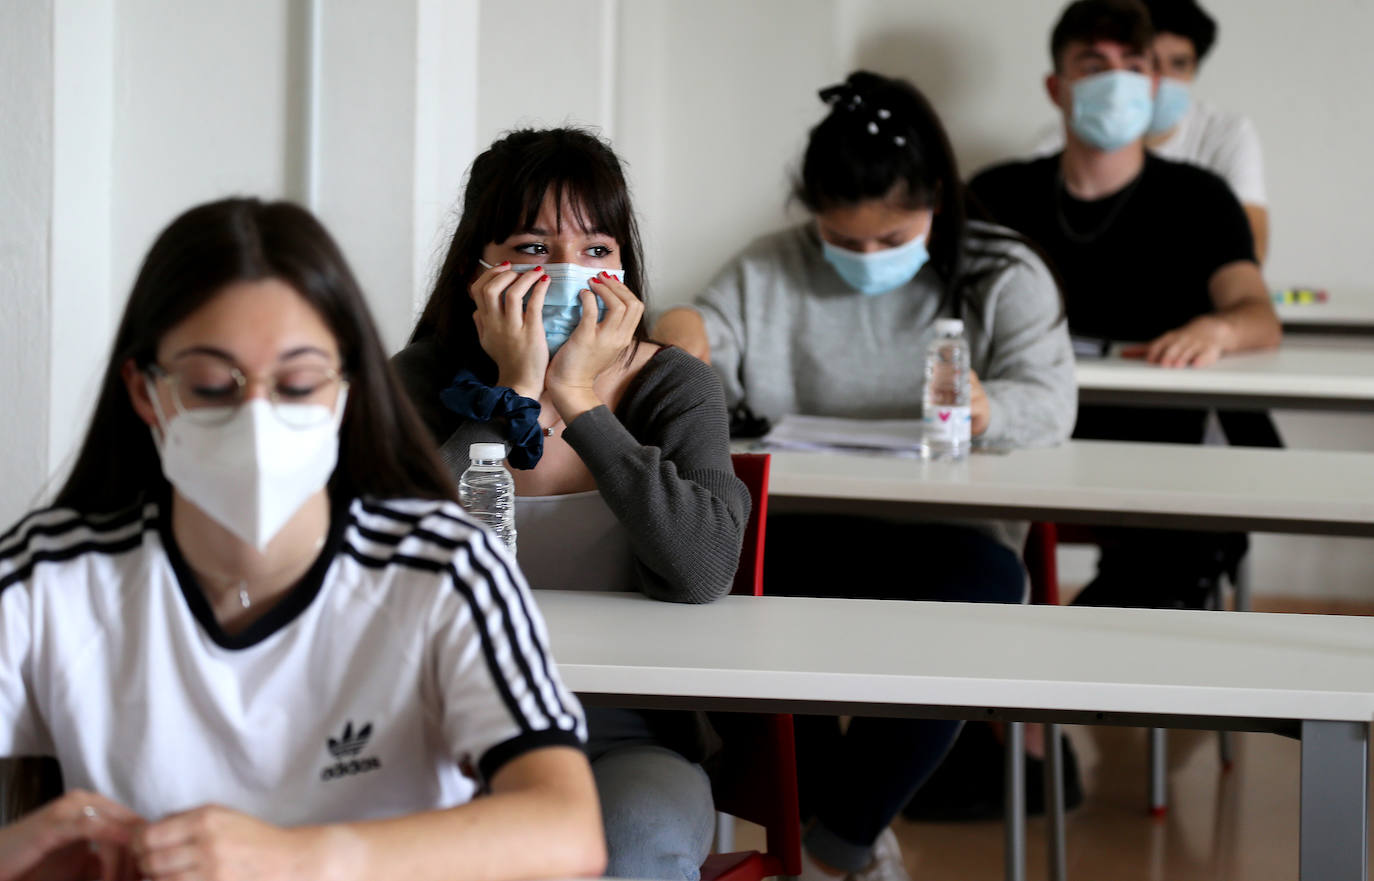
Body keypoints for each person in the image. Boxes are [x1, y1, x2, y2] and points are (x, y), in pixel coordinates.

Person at [0, 198, 604, 881]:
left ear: (344, 390)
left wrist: (301, 856)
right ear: (147, 392)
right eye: (211, 385)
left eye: (296, 383)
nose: (257, 419)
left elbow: (566, 826)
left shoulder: (442, 567)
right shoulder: (51, 574)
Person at [653, 71, 1076, 881]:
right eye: (843, 242)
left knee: (987, 585)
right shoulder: (769, 268)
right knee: (729, 587)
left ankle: (834, 841)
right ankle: (832, 827)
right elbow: (707, 341)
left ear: (939, 204)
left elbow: (1051, 402)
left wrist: (989, 408)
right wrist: (679, 327)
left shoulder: (1003, 272)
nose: (868, 258)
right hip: (802, 525)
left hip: (948, 535)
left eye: (892, 240)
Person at [392, 127, 750, 881]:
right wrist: (513, 393)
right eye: (531, 247)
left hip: (626, 737)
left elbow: (703, 569)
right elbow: (390, 567)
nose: (566, 273)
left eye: (594, 250)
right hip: (441, 728)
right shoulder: (419, 381)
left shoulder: (674, 385)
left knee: (638, 843)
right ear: (478, 268)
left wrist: (581, 403)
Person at [968, 0, 1280, 609]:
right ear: (1057, 88)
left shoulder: (1201, 198)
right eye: (1093, 64)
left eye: (1132, 65)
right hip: (1018, 434)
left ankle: (1072, 662)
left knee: (1172, 559)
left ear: (1155, 85)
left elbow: (1256, 312)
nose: (1116, 80)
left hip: (1156, 448)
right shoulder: (994, 194)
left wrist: (1218, 330)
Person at [1033, 0, 1270, 261]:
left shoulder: (1213, 175)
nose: (1164, 78)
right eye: (1152, 64)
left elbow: (1249, 256)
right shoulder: (1057, 149)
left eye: (1179, 64)